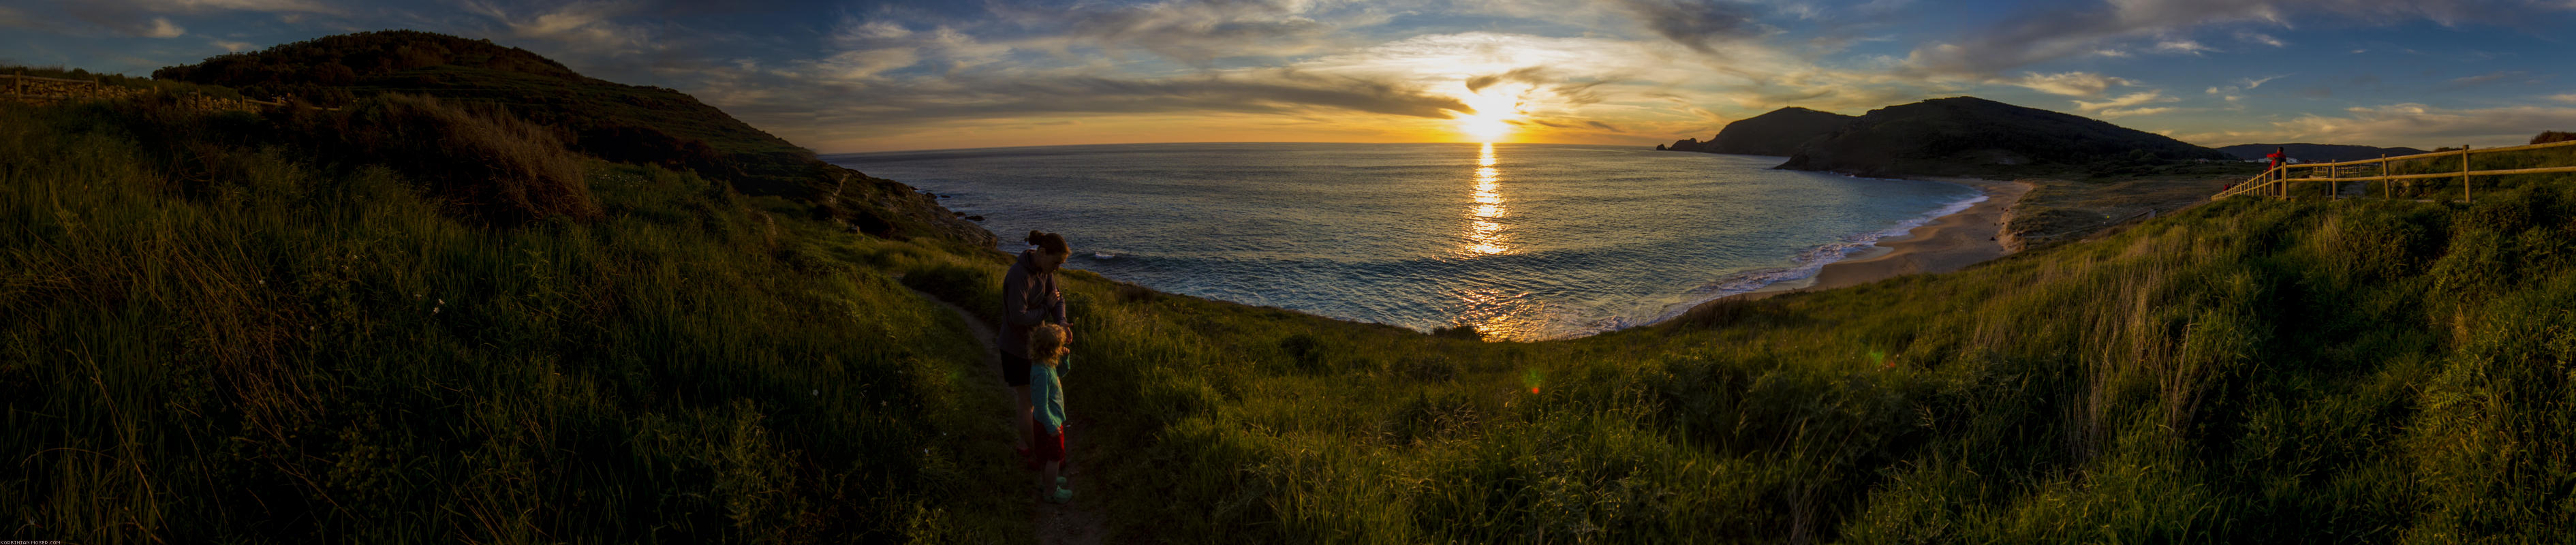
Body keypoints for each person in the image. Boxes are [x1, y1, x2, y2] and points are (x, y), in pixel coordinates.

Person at [1002, 230, 1071, 465]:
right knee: (1028, 401)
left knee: (1039, 397)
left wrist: (1061, 323)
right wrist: (1045, 310)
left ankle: (1028, 444)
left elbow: (1057, 298)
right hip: (1016, 348)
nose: (1057, 269)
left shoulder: (1044, 271)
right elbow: (1018, 316)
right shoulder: (1019, 275)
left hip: (1036, 346)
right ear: (1042, 253)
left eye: (1060, 264)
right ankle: (1037, 452)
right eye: (1056, 263)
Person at [1028, 322, 1075, 503]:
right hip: (1049, 422)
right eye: (1060, 346)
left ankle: (1048, 480)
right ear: (1051, 350)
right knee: (1054, 457)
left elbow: (1061, 374)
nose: (1063, 348)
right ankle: (1051, 491)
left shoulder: (1045, 364)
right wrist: (1051, 426)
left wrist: (1065, 360)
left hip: (1046, 421)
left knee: (1045, 457)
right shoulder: (1042, 372)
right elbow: (1039, 404)